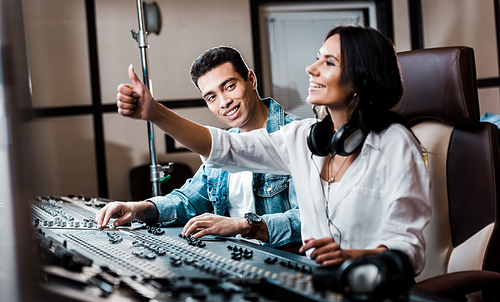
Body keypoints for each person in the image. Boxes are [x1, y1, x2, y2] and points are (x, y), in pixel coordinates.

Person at [114, 25, 431, 275]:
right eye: (317, 57)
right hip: (315, 282)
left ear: (361, 77)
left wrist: (351, 257)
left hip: (370, 290)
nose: (311, 68)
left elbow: (409, 252)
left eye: (328, 62)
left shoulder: (395, 142)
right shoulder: (305, 137)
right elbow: (225, 148)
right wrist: (154, 112)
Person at [96, 46, 302, 248]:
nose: (224, 102)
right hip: (237, 262)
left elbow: (307, 221)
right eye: (211, 97)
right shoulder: (226, 144)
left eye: (229, 86)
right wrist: (138, 208)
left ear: (251, 80)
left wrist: (243, 225)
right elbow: (188, 201)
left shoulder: (298, 136)